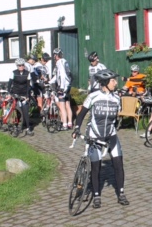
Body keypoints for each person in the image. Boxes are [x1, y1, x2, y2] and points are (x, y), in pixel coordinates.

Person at [72, 69, 128, 208]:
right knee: (96, 166)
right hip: (95, 136)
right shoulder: (93, 96)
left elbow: (116, 119)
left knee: (118, 164)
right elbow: (81, 114)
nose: (116, 83)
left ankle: (121, 193)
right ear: (105, 82)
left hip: (111, 135)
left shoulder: (116, 98)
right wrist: (77, 128)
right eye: (113, 80)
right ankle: (96, 195)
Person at [8, 58, 34, 135]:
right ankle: (16, 126)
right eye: (19, 65)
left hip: (24, 94)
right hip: (15, 93)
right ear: (17, 66)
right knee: (16, 111)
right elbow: (9, 84)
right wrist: (9, 94)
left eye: (22, 65)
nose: (21, 67)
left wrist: (27, 96)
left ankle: (28, 128)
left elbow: (28, 86)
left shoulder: (27, 73)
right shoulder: (13, 73)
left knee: (25, 111)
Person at [50, 48, 73, 130]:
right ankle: (70, 123)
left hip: (63, 87)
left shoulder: (59, 62)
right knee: (68, 105)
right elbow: (58, 76)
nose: (54, 57)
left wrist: (62, 87)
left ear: (56, 55)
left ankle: (64, 125)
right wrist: (50, 82)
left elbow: (62, 75)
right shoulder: (65, 61)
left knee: (62, 107)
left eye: (54, 55)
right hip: (68, 86)